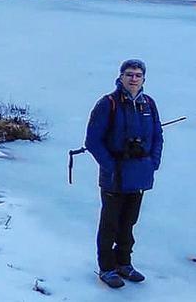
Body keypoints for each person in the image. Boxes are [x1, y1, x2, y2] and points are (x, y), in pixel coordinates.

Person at [85, 59, 163, 288]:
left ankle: (124, 263)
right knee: (110, 223)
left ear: (144, 79)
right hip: (115, 175)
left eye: (138, 75)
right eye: (129, 74)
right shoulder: (107, 104)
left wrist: (153, 162)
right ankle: (107, 267)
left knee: (129, 221)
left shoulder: (149, 104)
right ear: (120, 77)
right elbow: (92, 141)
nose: (133, 78)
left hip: (140, 174)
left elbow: (157, 135)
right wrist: (111, 166)